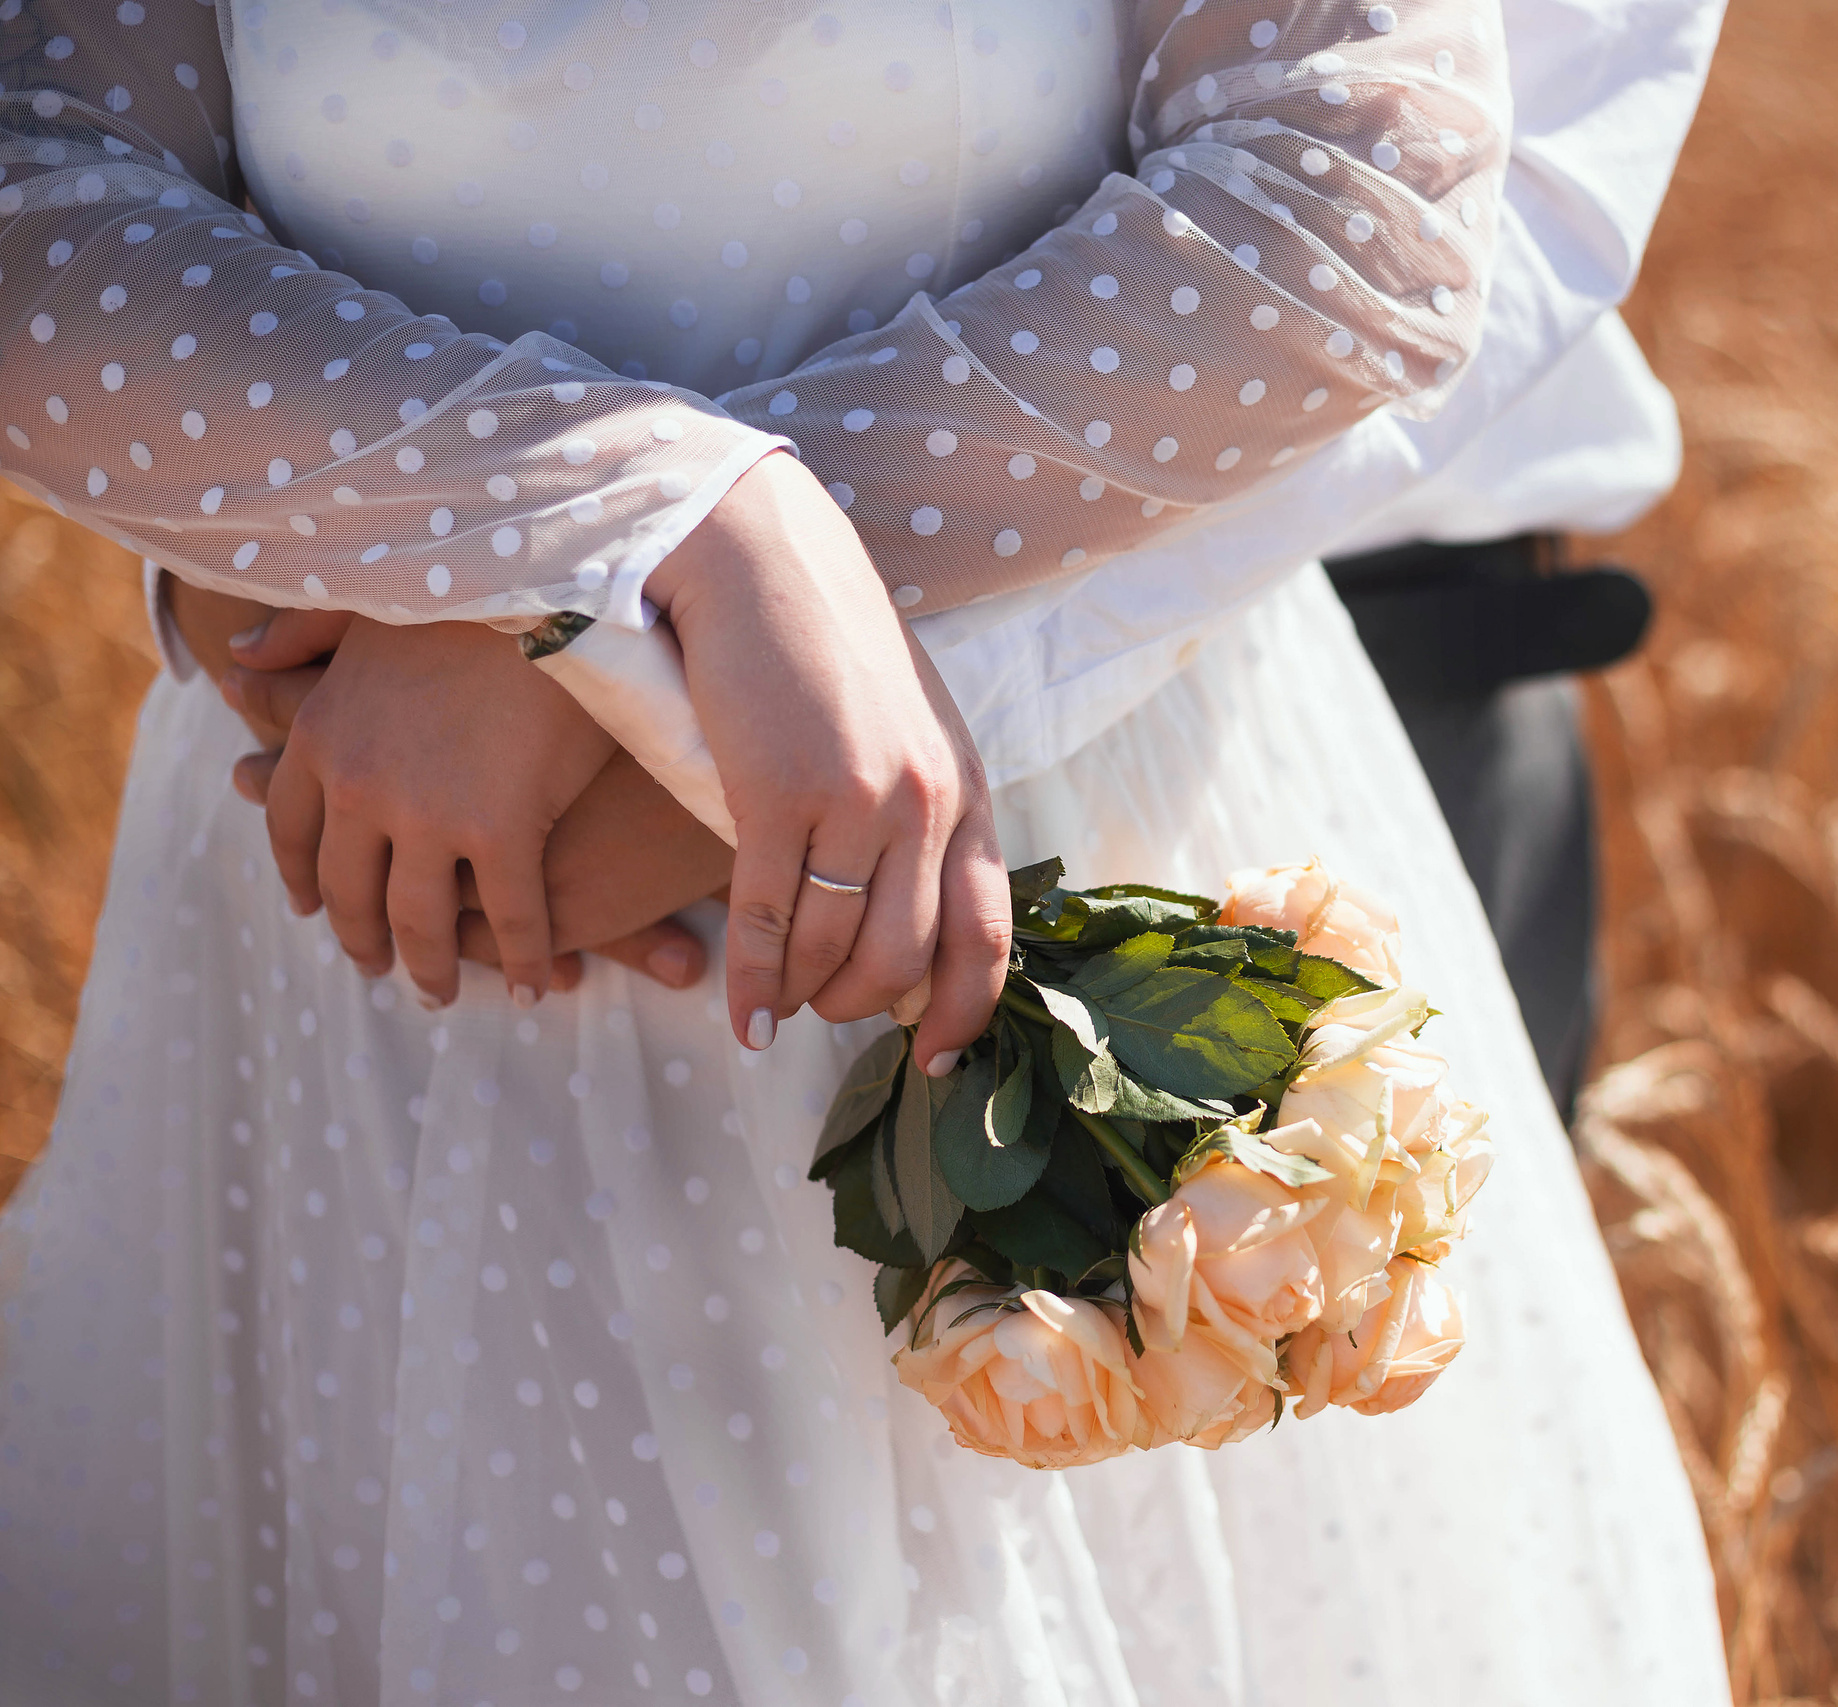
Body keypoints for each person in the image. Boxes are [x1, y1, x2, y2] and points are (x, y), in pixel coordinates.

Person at [0, 3, 1731, 1704]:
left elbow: (1363, 185)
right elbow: (41, 189)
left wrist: (647, 646)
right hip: (376, 882)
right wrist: (625, 524)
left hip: (1034, 821)